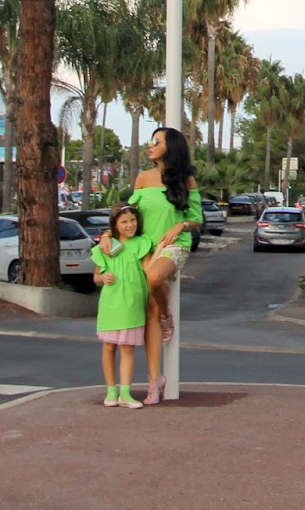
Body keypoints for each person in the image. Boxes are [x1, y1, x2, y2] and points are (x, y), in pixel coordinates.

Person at [101, 126, 200, 406]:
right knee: (148, 313)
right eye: (151, 141)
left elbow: (196, 218)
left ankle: (167, 313)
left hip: (174, 245)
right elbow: (127, 215)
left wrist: (180, 225)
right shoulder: (143, 178)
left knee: (155, 279)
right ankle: (155, 380)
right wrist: (108, 233)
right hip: (144, 247)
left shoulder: (186, 179)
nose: (151, 145)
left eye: (157, 141)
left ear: (172, 146)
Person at [92, 204, 154, 408]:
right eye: (124, 221)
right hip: (111, 303)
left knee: (127, 348)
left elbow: (148, 270)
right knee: (109, 346)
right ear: (115, 225)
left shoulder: (142, 243)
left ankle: (125, 392)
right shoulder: (106, 246)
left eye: (133, 220)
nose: (130, 225)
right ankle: (111, 390)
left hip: (133, 302)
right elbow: (96, 277)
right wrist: (102, 277)